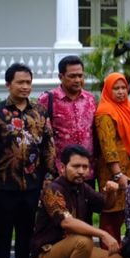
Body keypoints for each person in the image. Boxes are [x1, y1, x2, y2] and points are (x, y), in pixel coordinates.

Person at [0, 63, 57, 258]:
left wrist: (50, 176)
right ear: (8, 84)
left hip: (33, 185)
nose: (25, 87)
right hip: (2, 185)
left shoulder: (39, 112)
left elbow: (48, 145)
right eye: (20, 82)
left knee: (28, 232)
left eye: (28, 82)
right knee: (0, 233)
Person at [30, 145, 124, 258]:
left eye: (85, 167)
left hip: (75, 250)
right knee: (83, 241)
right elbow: (67, 222)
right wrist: (103, 234)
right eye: (76, 166)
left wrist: (111, 192)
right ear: (62, 167)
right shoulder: (53, 190)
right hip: (47, 254)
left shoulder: (82, 187)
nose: (81, 171)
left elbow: (105, 205)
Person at [94, 73, 130, 244]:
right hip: (113, 170)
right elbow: (108, 146)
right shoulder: (105, 112)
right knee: (113, 212)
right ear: (107, 90)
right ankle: (110, 257)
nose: (120, 92)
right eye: (116, 88)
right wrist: (117, 174)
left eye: (123, 88)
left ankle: (129, 254)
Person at [38, 56, 97, 186]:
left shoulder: (90, 99)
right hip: (60, 172)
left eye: (80, 76)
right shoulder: (47, 99)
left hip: (87, 171)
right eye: (72, 76)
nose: (77, 80)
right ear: (61, 76)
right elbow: (40, 136)